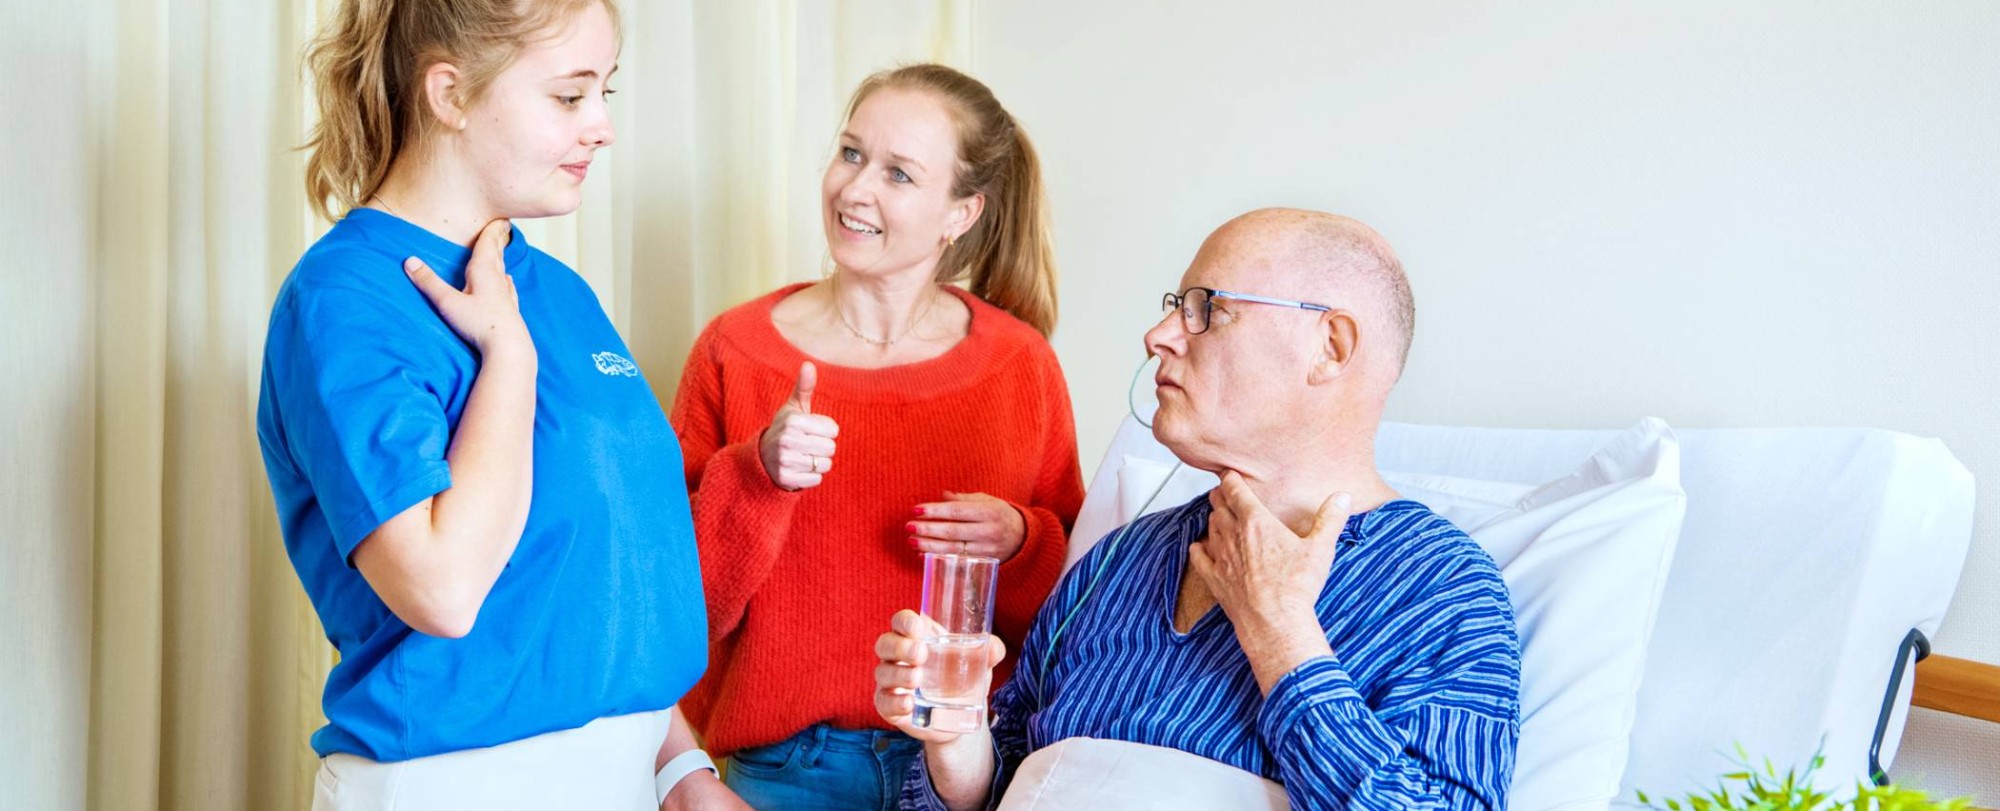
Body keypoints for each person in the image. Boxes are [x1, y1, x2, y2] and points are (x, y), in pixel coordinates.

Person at [872, 209, 1523, 810]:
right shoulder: (1119, 561)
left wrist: (1281, 634)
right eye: (1172, 308)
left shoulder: (1440, 587)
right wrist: (955, 745)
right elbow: (997, 785)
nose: (1157, 336)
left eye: (1204, 309)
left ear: (1331, 345)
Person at [256, 1, 737, 807]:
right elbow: (441, 588)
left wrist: (679, 769)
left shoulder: (557, 290)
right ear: (449, 95)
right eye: (569, 96)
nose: (603, 128)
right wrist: (507, 359)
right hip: (457, 782)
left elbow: (602, 568)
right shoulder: (346, 300)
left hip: (626, 777)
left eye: (605, 93)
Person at [670, 64, 1086, 810]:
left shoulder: (1021, 364)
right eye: (852, 154)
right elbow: (672, 604)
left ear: (960, 213)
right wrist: (757, 473)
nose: (855, 189)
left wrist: (1022, 541)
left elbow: (1082, 606)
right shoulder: (733, 351)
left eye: (899, 173)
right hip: (786, 770)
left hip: (971, 764)